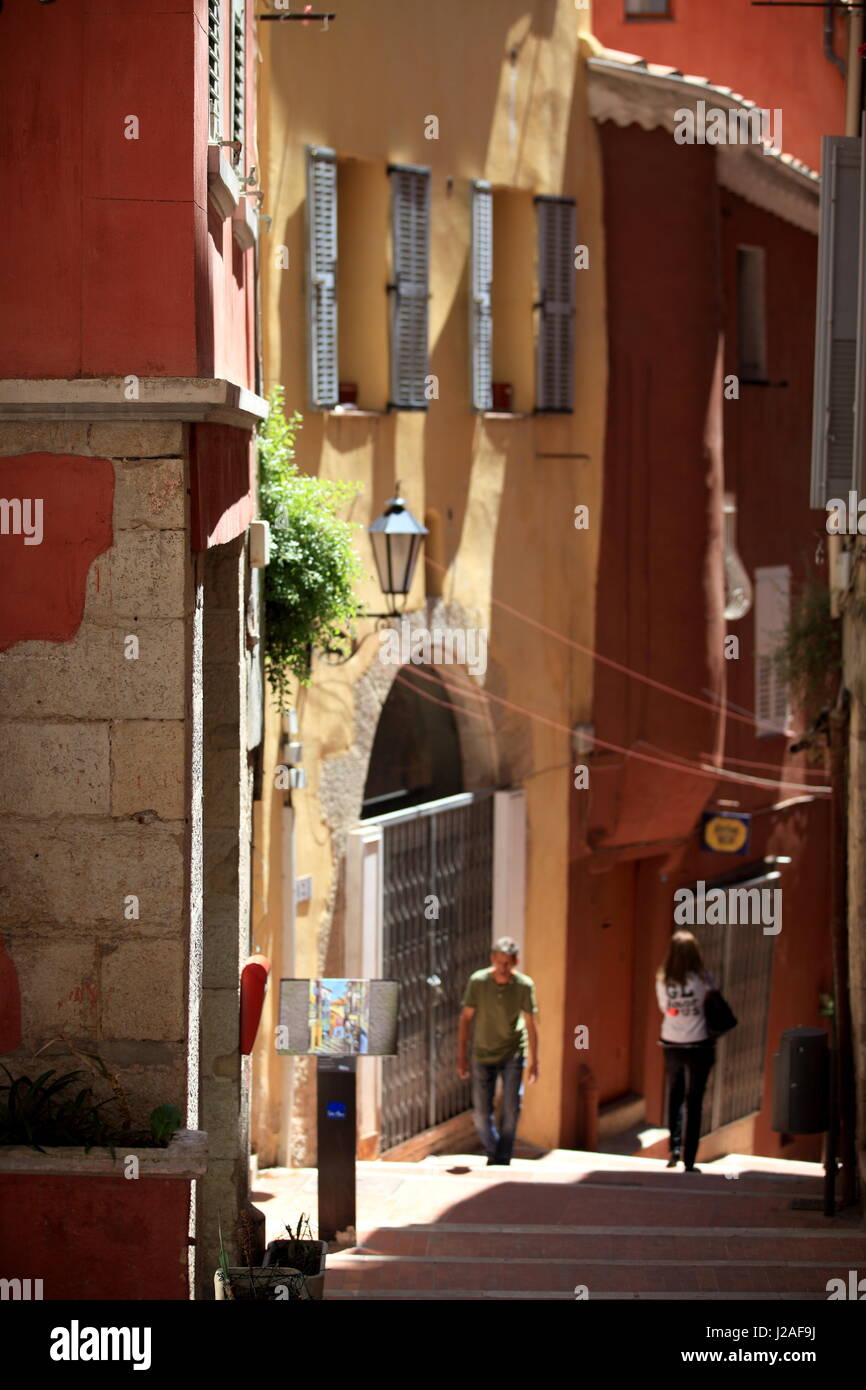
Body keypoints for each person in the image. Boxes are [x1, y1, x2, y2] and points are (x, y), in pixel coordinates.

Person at [457, 937, 539, 1166]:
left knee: (511, 1108)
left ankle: (502, 1159)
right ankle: (495, 1151)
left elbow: (531, 1023)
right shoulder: (478, 982)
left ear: (516, 962)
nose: (503, 969)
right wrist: (461, 1056)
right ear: (492, 959)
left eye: (508, 964)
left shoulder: (524, 985)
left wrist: (535, 1060)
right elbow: (465, 1018)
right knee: (482, 1114)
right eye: (499, 962)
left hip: (513, 1052)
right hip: (482, 1054)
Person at [655, 929, 718, 1173]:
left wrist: (677, 1012)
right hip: (699, 1043)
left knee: (675, 1094)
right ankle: (690, 1159)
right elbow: (713, 999)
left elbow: (665, 1008)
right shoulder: (705, 980)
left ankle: (674, 1150)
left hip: (672, 1042)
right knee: (695, 1100)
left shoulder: (662, 980)